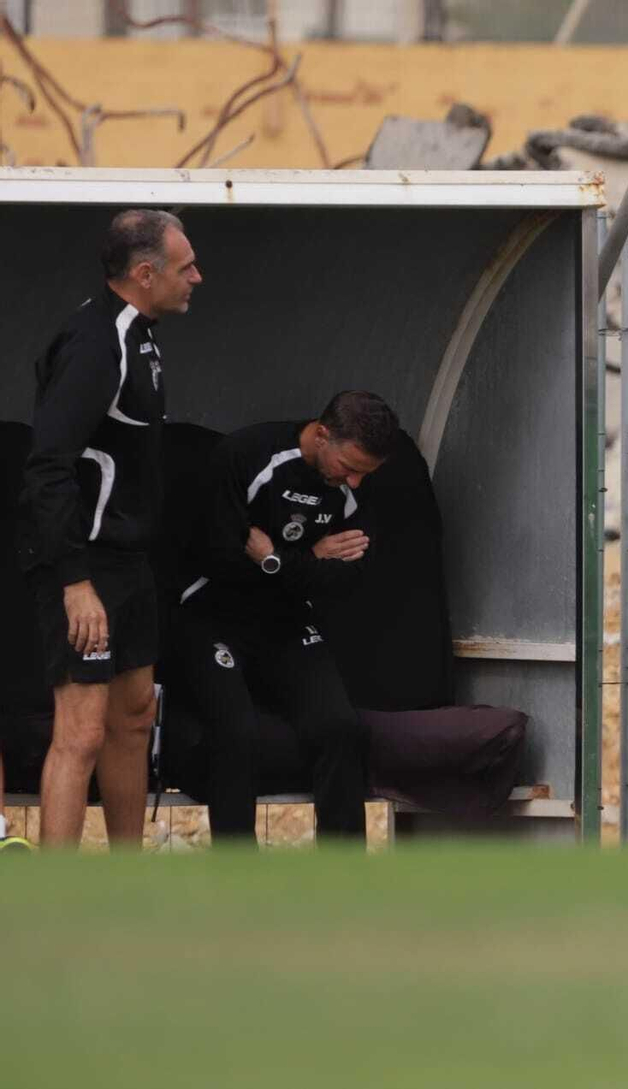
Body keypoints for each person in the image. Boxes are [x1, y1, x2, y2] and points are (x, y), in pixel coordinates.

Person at [16, 209, 201, 850]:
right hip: (83, 567)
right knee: (82, 732)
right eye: (186, 268)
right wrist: (74, 582)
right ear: (144, 274)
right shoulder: (97, 343)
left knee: (133, 717)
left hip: (130, 562)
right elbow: (47, 467)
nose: (197, 278)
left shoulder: (142, 333)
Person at [169, 391, 399, 845]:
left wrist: (276, 559)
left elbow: (348, 578)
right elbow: (219, 559)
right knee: (236, 732)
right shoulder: (245, 456)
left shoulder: (355, 488)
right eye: (349, 467)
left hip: (286, 619)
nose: (353, 482)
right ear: (321, 434)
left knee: (340, 728)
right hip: (213, 613)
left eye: (364, 474)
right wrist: (307, 562)